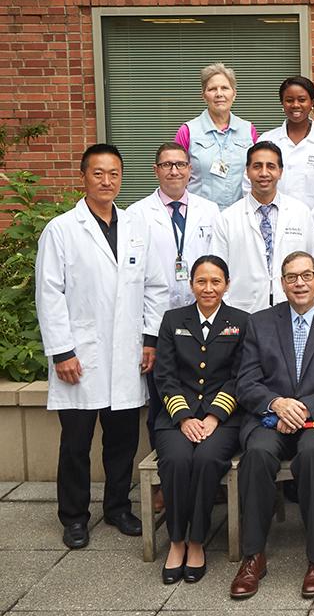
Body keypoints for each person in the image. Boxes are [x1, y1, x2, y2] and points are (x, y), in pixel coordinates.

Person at [35, 144, 168, 550]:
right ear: (84, 177)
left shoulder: (135, 226)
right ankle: (74, 517)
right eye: (98, 173)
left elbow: (155, 286)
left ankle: (116, 507)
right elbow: (49, 293)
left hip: (128, 354)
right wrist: (62, 351)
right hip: (81, 354)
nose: (107, 181)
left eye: (114, 173)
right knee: (75, 443)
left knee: (122, 440)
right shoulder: (61, 229)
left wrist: (150, 340)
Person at [228, 252, 314, 600]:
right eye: (291, 277)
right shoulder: (260, 323)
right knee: (256, 453)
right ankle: (253, 555)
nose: (299, 283)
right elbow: (246, 382)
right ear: (282, 283)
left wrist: (303, 410)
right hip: (271, 416)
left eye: (306, 275)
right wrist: (278, 404)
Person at [152, 255, 247, 584]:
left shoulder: (241, 322)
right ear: (191, 284)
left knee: (207, 460)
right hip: (176, 416)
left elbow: (240, 378)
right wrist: (183, 417)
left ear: (227, 285)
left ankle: (197, 541)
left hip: (224, 418)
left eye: (216, 281)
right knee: (177, 460)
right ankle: (176, 541)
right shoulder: (172, 320)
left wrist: (215, 416)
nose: (208, 288)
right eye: (201, 281)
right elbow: (164, 376)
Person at [127, 142, 221, 463]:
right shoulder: (137, 214)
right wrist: (144, 335)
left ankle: (206, 471)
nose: (174, 171)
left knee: (203, 394)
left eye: (180, 164)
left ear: (190, 170)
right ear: (156, 171)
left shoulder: (210, 210)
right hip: (157, 323)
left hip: (202, 321)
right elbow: (132, 277)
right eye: (166, 165)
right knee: (162, 402)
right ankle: (166, 482)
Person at [210, 142, 314, 313]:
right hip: (242, 310)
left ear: (280, 172)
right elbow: (215, 273)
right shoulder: (227, 219)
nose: (264, 173)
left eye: (271, 167)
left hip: (293, 308)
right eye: (257, 166)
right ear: (247, 171)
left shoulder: (301, 213)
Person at [255, 76, 314, 227]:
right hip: (272, 225)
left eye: (302, 99)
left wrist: (308, 221)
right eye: (289, 100)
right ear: (282, 103)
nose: (295, 105)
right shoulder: (267, 140)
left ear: (312, 102)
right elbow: (250, 183)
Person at [175, 63, 258, 209]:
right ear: (203, 96)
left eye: (225, 88)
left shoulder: (248, 130)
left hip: (240, 215)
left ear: (234, 94)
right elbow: (176, 176)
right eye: (212, 89)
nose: (219, 94)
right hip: (200, 216)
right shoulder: (188, 131)